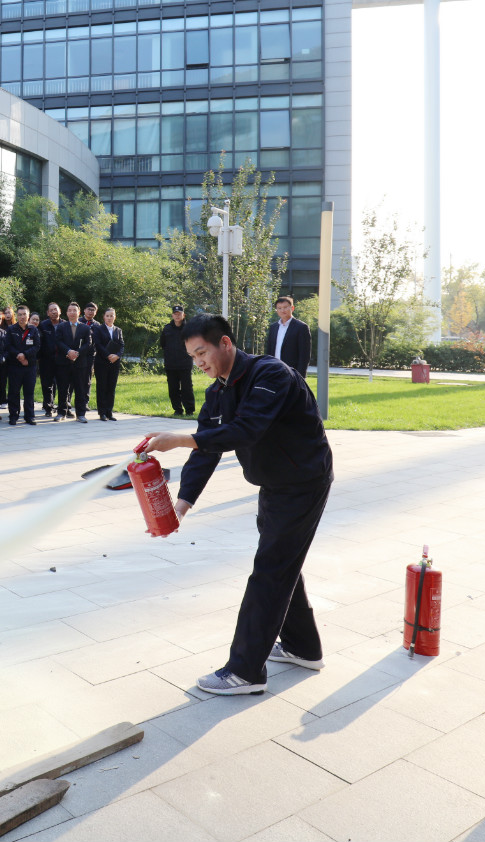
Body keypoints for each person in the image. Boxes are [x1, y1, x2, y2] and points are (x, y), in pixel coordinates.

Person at [141, 313, 333, 696]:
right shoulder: (217, 392)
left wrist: (179, 439)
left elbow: (246, 430)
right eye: (193, 357)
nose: (198, 363)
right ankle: (303, 648)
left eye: (202, 353)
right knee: (281, 564)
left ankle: (245, 671)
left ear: (225, 343)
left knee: (270, 571)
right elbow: (206, 450)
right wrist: (180, 506)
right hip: (274, 484)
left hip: (302, 482)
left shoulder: (270, 374)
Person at [53, 301, 95, 422]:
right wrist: (68, 351)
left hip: (80, 363)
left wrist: (77, 353)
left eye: (74, 310)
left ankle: (80, 414)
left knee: (80, 389)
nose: (72, 313)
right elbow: (58, 341)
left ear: (79, 312)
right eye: (70, 310)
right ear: (66, 313)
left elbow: (88, 343)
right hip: (63, 362)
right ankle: (61, 412)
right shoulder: (61, 327)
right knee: (63, 389)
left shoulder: (85, 328)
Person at [5, 305, 40, 426]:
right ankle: (13, 416)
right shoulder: (11, 329)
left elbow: (37, 346)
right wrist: (19, 356)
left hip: (29, 366)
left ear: (28, 316)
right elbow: (8, 346)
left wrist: (25, 355)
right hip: (15, 366)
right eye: (19, 314)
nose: (22, 317)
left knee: (29, 392)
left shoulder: (33, 330)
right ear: (17, 316)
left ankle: (29, 416)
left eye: (24, 314)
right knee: (14, 392)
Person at [161, 305, 196, 415]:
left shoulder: (189, 329)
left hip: (185, 363)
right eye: (175, 314)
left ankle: (189, 410)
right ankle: (177, 410)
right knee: (173, 388)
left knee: (187, 388)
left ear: (183, 315)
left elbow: (194, 344)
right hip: (171, 364)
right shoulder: (167, 329)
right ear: (172, 315)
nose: (177, 316)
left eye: (179, 314)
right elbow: (163, 344)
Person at [265, 296, 313, 377]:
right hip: (274, 371)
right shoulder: (273, 327)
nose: (282, 310)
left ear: (292, 308)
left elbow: (304, 355)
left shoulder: (301, 327)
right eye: (279, 308)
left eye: (285, 307)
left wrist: (300, 376)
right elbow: (269, 351)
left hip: (292, 372)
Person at [95, 307, 124, 421]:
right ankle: (102, 412)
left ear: (115, 317)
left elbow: (121, 345)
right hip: (102, 362)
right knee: (102, 387)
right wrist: (108, 355)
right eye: (107, 316)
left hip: (115, 363)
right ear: (104, 317)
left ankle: (109, 412)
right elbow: (98, 344)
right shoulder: (98, 329)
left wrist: (117, 356)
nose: (109, 318)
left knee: (111, 387)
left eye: (112, 316)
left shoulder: (118, 330)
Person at [38, 302, 62, 417]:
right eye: (51, 310)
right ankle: (48, 407)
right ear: (47, 313)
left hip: (61, 360)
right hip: (46, 360)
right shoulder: (43, 325)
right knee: (47, 384)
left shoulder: (64, 325)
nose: (53, 312)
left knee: (62, 384)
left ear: (60, 311)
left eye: (55, 309)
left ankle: (63, 407)